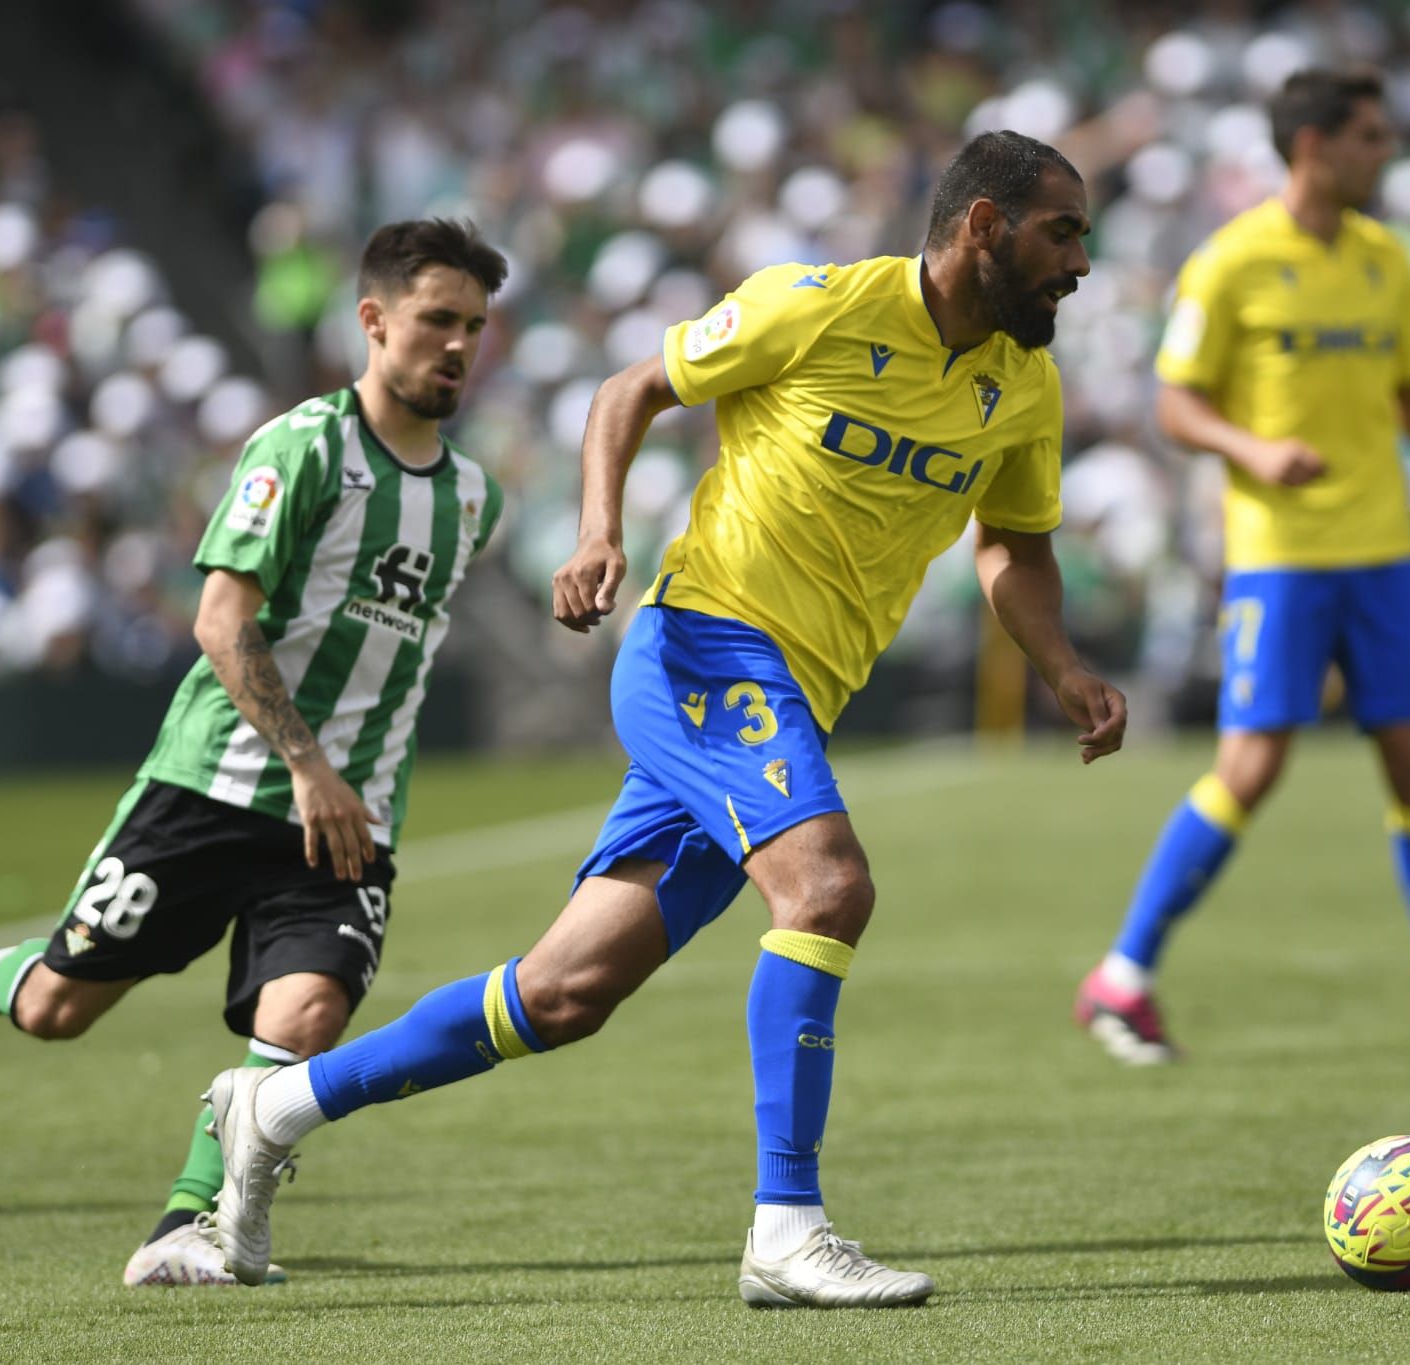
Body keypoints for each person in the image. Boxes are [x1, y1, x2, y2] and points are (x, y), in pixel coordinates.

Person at [196, 130, 1127, 1308]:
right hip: (702, 645)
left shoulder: (1022, 385)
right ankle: (786, 1228)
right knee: (827, 887)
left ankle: (274, 1106)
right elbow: (629, 390)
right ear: (983, 227)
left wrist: (1057, 666)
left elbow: (1013, 544)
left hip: (790, 696)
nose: (1082, 261)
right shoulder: (816, 307)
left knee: (564, 995)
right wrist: (598, 533)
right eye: (1063, 232)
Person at [0, 219, 511, 1285]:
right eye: (436, 320)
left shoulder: (474, 498)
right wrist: (307, 764)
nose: (455, 345)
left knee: (303, 1016)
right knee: (57, 1012)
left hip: (350, 817)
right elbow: (221, 622)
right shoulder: (301, 448)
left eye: (474, 327)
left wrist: (339, 783)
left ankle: (188, 1223)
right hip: (214, 786)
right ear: (374, 320)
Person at [1074, 69, 1410, 1065]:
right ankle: (1120, 976)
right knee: (1251, 766)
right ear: (1310, 146)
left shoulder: (1384, 260)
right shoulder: (1229, 263)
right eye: (1367, 136)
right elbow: (1174, 403)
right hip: (1277, 560)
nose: (1382, 153)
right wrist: (1254, 450)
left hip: (1383, 551)